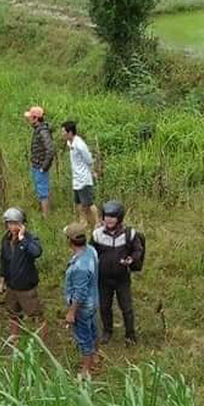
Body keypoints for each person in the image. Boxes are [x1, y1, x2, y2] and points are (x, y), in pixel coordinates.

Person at [92, 200, 144, 346]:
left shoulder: (130, 234)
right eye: (106, 216)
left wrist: (131, 259)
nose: (108, 219)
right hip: (103, 278)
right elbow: (91, 252)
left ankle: (130, 335)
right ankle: (107, 331)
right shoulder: (97, 234)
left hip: (122, 278)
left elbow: (138, 250)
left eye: (112, 216)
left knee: (126, 307)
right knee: (104, 307)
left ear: (119, 218)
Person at [0, 207, 44, 344]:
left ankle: (40, 343)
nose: (12, 227)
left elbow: (36, 253)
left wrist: (22, 239)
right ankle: (14, 338)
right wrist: (2, 281)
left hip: (26, 287)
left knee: (36, 316)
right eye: (10, 223)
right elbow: (3, 261)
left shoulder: (30, 238)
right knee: (13, 314)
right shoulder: (5, 239)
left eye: (15, 223)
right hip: (11, 285)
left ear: (22, 224)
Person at [63, 222, 99, 378]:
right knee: (92, 329)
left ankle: (86, 370)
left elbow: (80, 292)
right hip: (94, 300)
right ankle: (95, 356)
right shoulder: (91, 251)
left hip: (83, 306)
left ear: (70, 241)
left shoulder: (80, 266)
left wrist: (72, 312)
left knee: (83, 336)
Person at [61, 119, 98, 228]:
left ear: (70, 133)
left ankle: (97, 222)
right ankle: (83, 222)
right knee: (78, 203)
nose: (62, 134)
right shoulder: (69, 142)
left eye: (63, 132)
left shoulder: (80, 145)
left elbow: (89, 159)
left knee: (89, 203)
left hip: (84, 178)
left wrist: (92, 171)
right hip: (76, 179)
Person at [24, 105, 55, 216]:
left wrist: (44, 167)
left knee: (43, 192)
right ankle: (43, 211)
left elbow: (50, 150)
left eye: (30, 117)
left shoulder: (43, 132)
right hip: (37, 165)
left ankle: (45, 216)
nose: (28, 120)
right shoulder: (39, 129)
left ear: (36, 118)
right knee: (41, 189)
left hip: (40, 166)